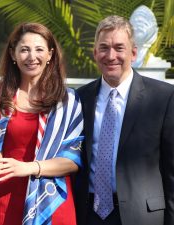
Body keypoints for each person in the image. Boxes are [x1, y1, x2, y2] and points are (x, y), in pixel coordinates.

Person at [74, 15, 174, 225]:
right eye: (104, 48)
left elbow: (171, 170)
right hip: (88, 214)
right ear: (95, 53)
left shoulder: (163, 97)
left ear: (133, 53)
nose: (111, 56)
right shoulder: (79, 99)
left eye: (119, 48)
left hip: (144, 217)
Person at [0, 22, 84, 225]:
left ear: (50, 55)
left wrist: (29, 168)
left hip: (52, 202)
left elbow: (72, 161)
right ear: (13, 54)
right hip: (6, 198)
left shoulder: (67, 102)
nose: (31, 57)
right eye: (24, 50)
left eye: (39, 49)